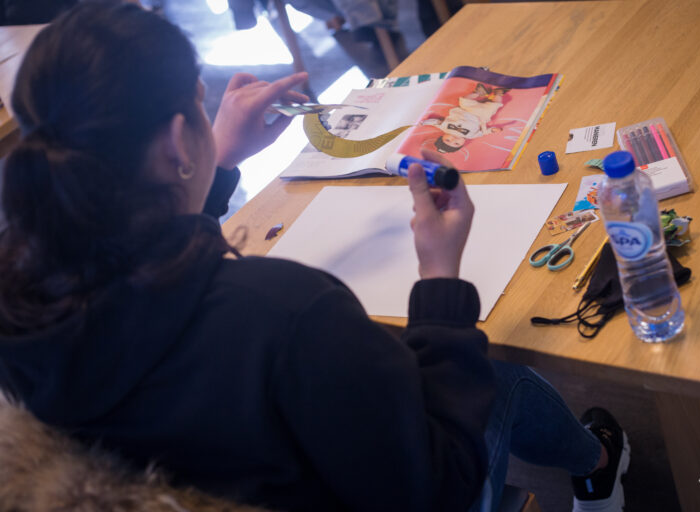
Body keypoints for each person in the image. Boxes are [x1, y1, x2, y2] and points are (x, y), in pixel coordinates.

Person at [0, 4, 629, 512]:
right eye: (198, 102)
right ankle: (600, 466)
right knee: (485, 369)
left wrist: (215, 161)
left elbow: (138, 276)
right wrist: (441, 280)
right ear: (172, 138)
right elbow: (439, 486)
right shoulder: (285, 312)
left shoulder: (24, 300)